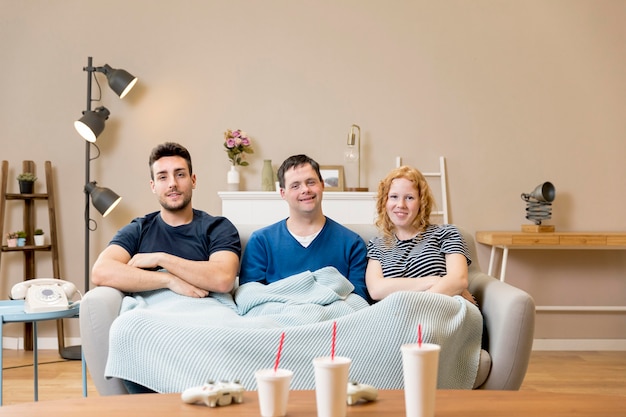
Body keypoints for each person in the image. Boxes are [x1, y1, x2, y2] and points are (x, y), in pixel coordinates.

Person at [238, 154, 371, 303]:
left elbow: (358, 301)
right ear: (283, 193)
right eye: (295, 186)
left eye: (311, 182)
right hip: (276, 321)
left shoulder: (352, 243)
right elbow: (249, 297)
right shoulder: (261, 242)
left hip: (332, 322)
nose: (305, 190)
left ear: (322, 185)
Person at [365, 165, 475, 304]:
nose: (401, 204)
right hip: (398, 318)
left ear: (421, 202)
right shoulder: (377, 245)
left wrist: (417, 304)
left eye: (409, 198)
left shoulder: (446, 233)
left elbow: (459, 279)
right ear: (384, 202)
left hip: (444, 311)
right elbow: (376, 290)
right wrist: (433, 281)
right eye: (393, 197)